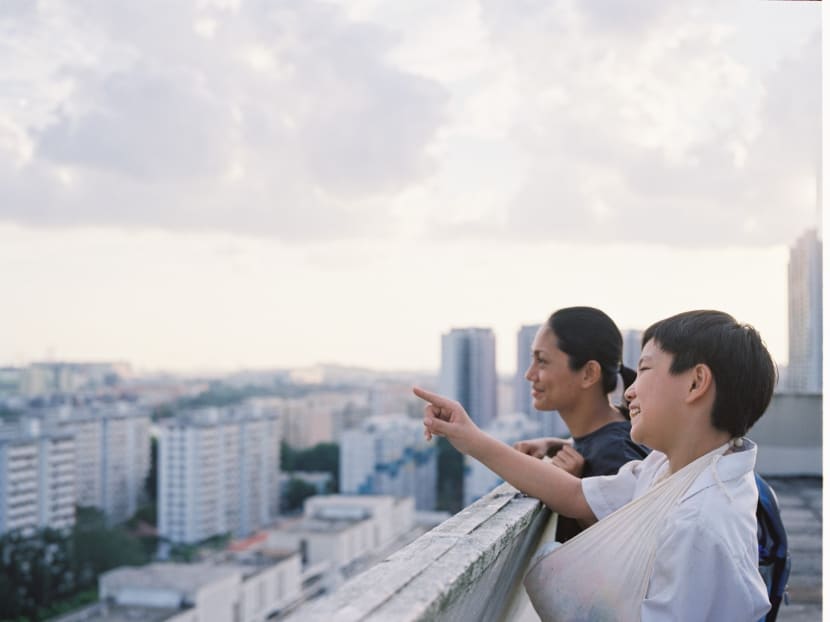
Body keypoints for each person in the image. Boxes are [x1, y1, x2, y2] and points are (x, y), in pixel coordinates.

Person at [415, 310, 775, 620]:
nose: (629, 390)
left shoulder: (701, 521)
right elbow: (574, 495)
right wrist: (470, 437)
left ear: (696, 382)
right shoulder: (664, 469)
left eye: (646, 368)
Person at [511, 306, 648, 541]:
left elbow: (626, 551)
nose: (529, 374)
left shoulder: (617, 453)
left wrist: (574, 487)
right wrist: (556, 444)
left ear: (588, 373)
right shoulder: (606, 437)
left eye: (542, 361)